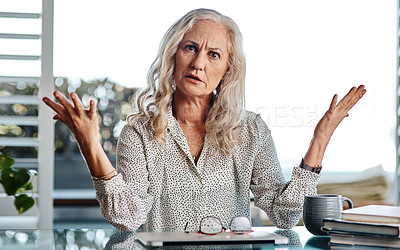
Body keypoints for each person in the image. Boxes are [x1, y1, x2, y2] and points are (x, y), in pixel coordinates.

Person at [43, 8, 366, 232]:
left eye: (214, 54)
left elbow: (284, 215)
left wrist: (320, 138)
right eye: (190, 48)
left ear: (227, 69)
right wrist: (89, 143)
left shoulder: (251, 129)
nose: (198, 63)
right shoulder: (139, 131)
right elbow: (127, 217)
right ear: (173, 54)